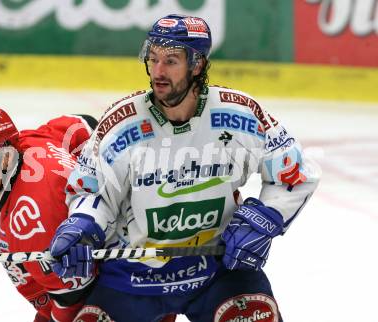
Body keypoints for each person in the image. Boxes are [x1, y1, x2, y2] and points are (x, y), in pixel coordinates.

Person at [49, 14, 320, 322]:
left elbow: (294, 174)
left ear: (198, 65)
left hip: (218, 270)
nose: (158, 72)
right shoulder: (122, 124)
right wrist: (82, 226)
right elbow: (93, 189)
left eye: (171, 61)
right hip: (132, 274)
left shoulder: (239, 114)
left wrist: (265, 218)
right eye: (153, 60)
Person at [0, 108, 98, 322]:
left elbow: (72, 297)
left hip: (97, 292)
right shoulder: (31, 141)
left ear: (6, 156)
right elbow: (84, 124)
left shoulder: (29, 219)